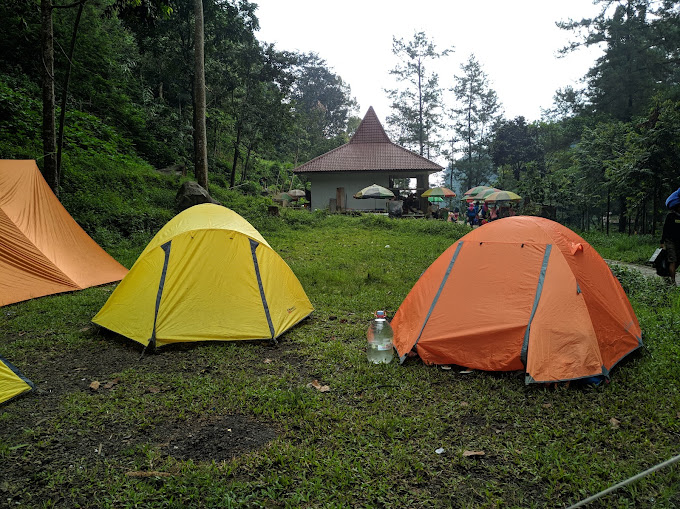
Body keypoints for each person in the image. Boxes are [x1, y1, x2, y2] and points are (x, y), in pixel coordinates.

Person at [661, 187, 680, 284]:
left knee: (676, 261)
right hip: (670, 241)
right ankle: (673, 282)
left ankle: (669, 274)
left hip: (679, 242)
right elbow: (665, 229)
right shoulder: (671, 216)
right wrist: (662, 242)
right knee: (672, 260)